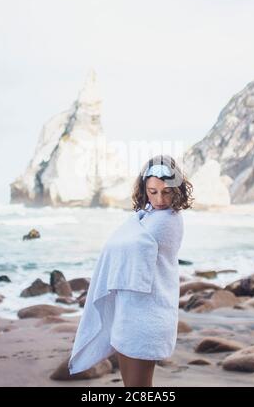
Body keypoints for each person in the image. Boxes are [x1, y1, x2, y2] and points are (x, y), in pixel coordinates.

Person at [68, 154, 194, 387]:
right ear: (144, 189)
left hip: (148, 316)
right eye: (152, 191)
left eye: (166, 192)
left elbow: (124, 246)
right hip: (128, 313)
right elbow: (124, 245)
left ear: (176, 190)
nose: (159, 199)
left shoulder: (168, 221)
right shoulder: (146, 217)